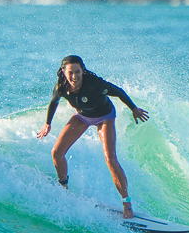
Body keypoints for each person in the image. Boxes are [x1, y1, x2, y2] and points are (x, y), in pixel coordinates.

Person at [36, 55, 149, 219]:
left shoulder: (95, 84)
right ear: (63, 72)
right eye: (70, 73)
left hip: (105, 117)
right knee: (56, 153)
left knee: (110, 160)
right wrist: (48, 123)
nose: (74, 76)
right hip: (82, 116)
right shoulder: (60, 87)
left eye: (77, 72)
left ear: (82, 70)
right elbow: (54, 102)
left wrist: (134, 108)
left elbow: (118, 91)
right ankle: (64, 189)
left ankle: (127, 203)